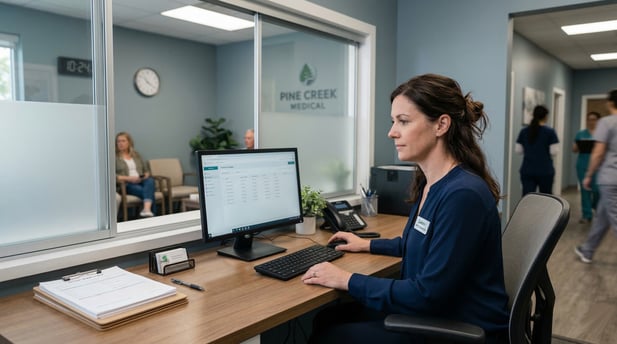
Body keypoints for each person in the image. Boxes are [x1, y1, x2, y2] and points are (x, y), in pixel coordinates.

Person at [302, 74, 509, 343]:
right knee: (328, 318)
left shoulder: (462, 195)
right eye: (393, 121)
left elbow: (426, 293)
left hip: (459, 325)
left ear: (441, 125)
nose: (392, 132)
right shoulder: (432, 184)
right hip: (438, 310)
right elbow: (422, 244)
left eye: (403, 121)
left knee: (332, 334)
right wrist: (367, 245)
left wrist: (347, 279)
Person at [575, 90, 617, 264]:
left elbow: (598, 153)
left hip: (610, 177)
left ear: (610, 103)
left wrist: (589, 174)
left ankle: (588, 250)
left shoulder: (607, 122)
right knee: (602, 216)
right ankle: (588, 250)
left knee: (614, 216)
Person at [515, 105, 560, 195]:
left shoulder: (524, 131)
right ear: (545, 116)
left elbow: (518, 150)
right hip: (545, 170)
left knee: (527, 198)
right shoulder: (550, 132)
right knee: (546, 198)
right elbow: (554, 152)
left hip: (527, 170)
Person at [115, 132, 156, 217]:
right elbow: (113, 176)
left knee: (150, 180)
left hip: (141, 181)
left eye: (123, 141)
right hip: (126, 184)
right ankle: (150, 216)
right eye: (118, 141)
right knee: (149, 192)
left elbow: (146, 171)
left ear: (129, 142)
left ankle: (146, 210)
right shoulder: (114, 157)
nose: (120, 143)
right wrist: (129, 178)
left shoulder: (136, 155)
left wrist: (145, 175)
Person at [572, 111, 600, 224]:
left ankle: (596, 207)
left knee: (598, 190)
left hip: (598, 166)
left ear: (598, 121)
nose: (591, 121)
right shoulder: (580, 133)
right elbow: (574, 150)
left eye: (594, 119)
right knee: (585, 190)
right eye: (589, 119)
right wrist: (579, 145)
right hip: (582, 165)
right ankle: (586, 214)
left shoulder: (602, 133)